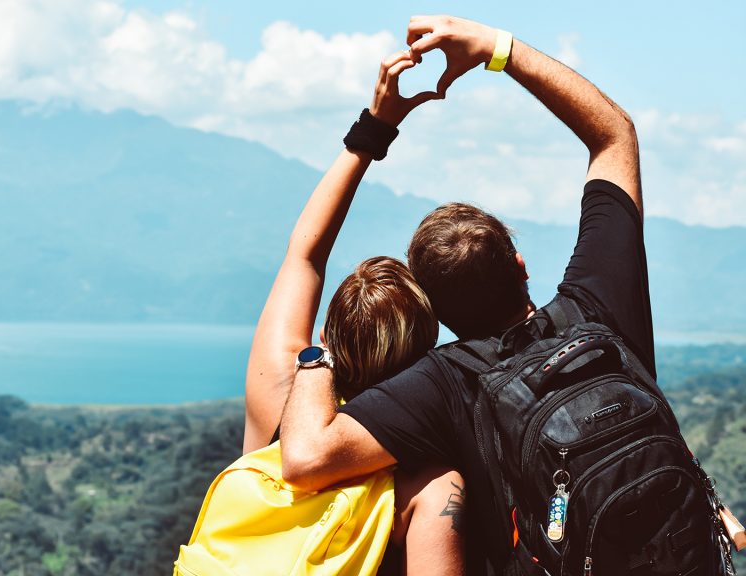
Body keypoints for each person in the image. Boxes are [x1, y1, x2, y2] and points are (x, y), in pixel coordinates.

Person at [278, 14, 652, 573]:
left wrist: (320, 353)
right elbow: (614, 133)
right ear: (520, 265)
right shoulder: (599, 306)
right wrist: (496, 48)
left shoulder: (446, 384)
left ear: (437, 312)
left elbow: (305, 456)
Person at [242, 49, 465, 574]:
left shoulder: (278, 394)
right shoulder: (427, 481)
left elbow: (305, 252)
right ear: (425, 352)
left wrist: (376, 127)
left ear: (327, 334)